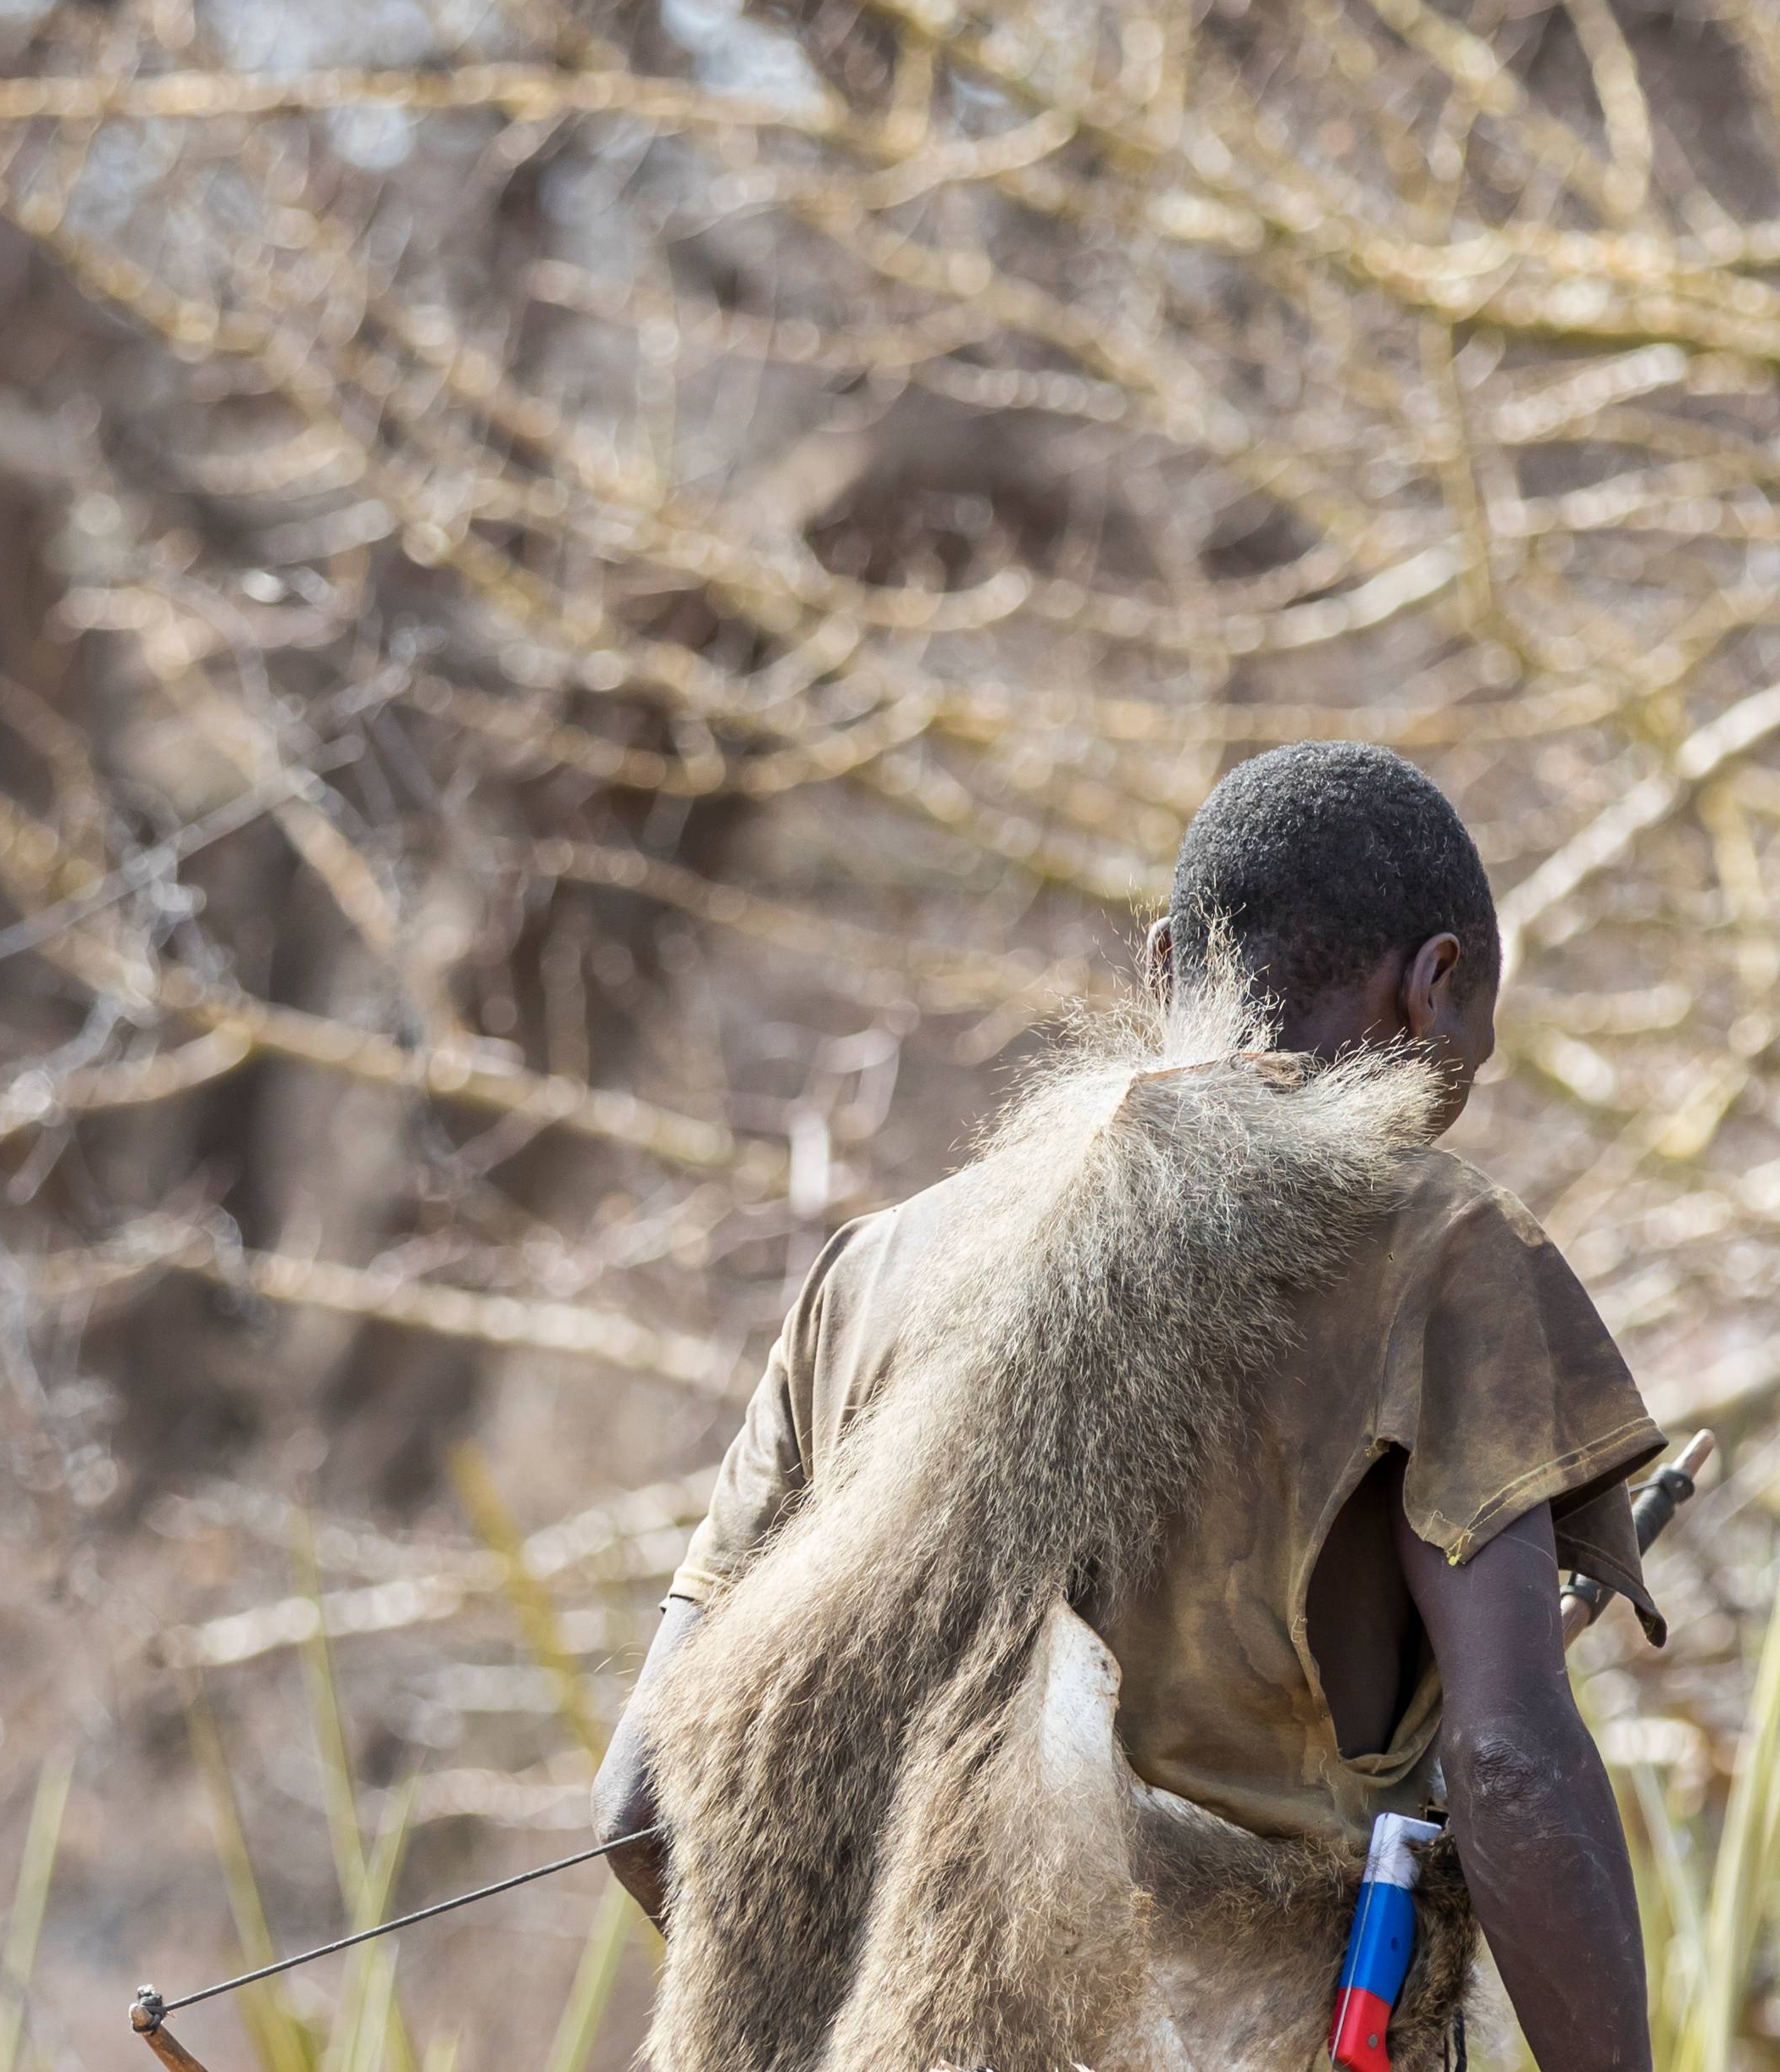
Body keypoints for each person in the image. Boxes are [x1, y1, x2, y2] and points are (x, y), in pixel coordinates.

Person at [592, 742, 1665, 2072]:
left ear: (1166, 968)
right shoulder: (1436, 1247)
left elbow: (640, 1804)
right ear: (1432, 985)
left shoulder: (867, 1276)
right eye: (1468, 1059)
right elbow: (1505, 1761)